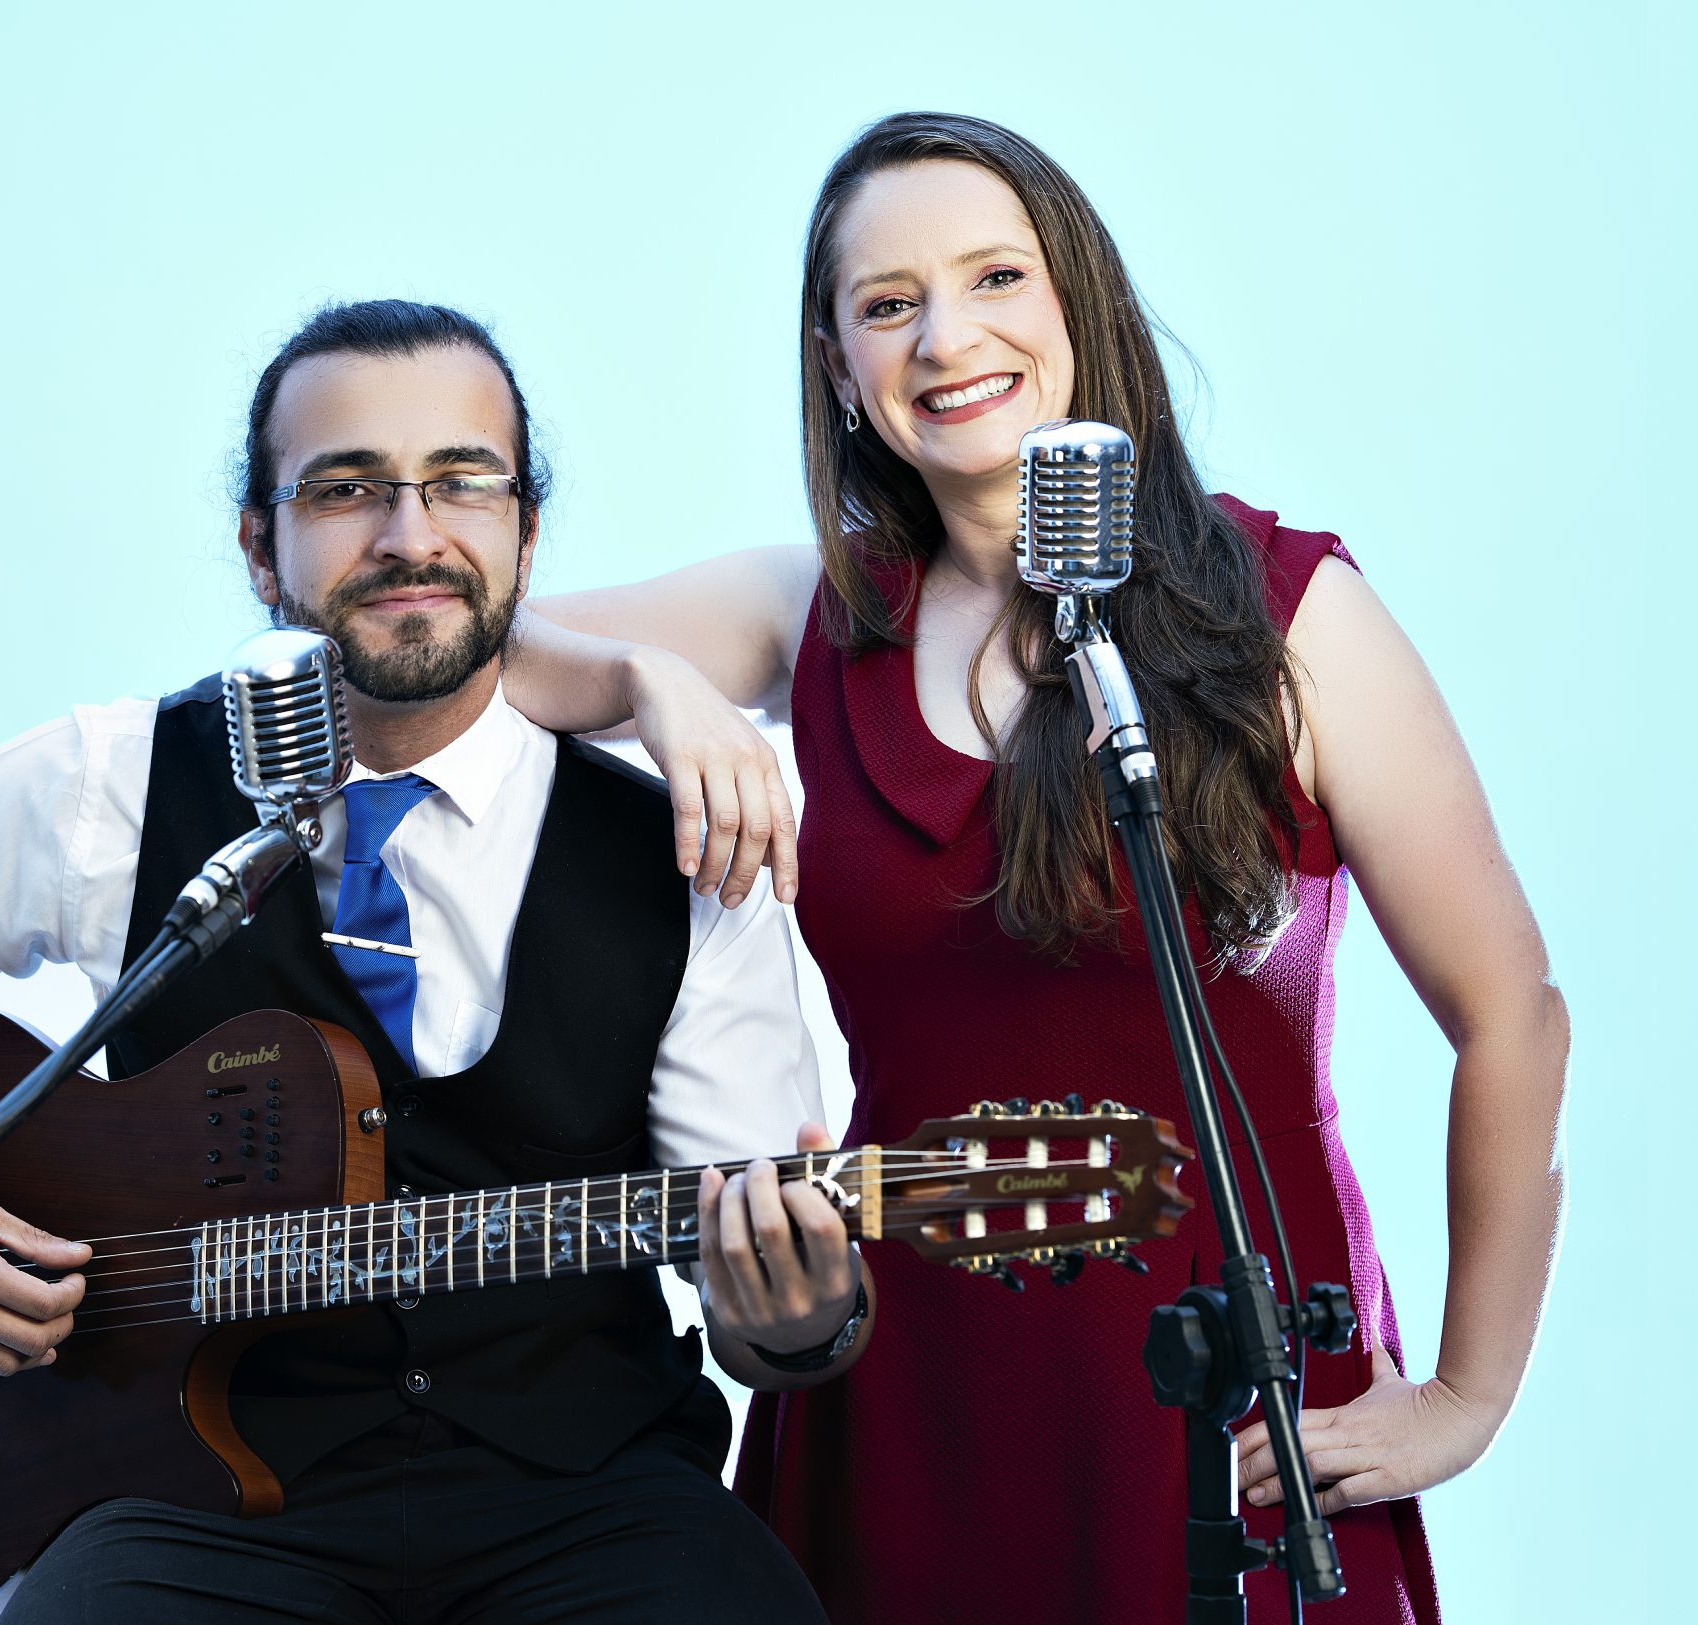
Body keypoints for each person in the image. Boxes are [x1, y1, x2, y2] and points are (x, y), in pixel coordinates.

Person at [502, 113, 1571, 1623]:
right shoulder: (807, 612)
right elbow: (465, 664)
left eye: (995, 276)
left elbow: (1511, 1011)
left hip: (1225, 1390)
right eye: (889, 303)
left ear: (1078, 304)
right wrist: (644, 686)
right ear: (838, 364)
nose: (947, 337)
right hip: (903, 1387)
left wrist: (1467, 1393)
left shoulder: (1285, 613)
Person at [0, 299, 872, 1625]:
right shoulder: (120, 783)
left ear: (526, 530)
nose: (409, 533)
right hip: (194, 1503)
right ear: (259, 546)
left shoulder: (685, 847)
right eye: (345, 489)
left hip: (588, 1494)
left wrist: (795, 1311)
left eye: (460, 481)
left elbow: (757, 1309)